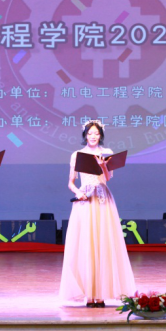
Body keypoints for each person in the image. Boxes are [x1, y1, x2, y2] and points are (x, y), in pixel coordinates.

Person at [59, 120, 136, 307]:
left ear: (100, 135)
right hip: (85, 200)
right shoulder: (77, 155)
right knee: (86, 244)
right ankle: (89, 295)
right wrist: (78, 192)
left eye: (96, 133)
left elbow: (107, 178)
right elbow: (71, 183)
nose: (93, 136)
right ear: (85, 135)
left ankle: (100, 295)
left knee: (103, 244)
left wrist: (103, 165)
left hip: (102, 199)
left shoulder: (107, 152)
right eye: (90, 133)